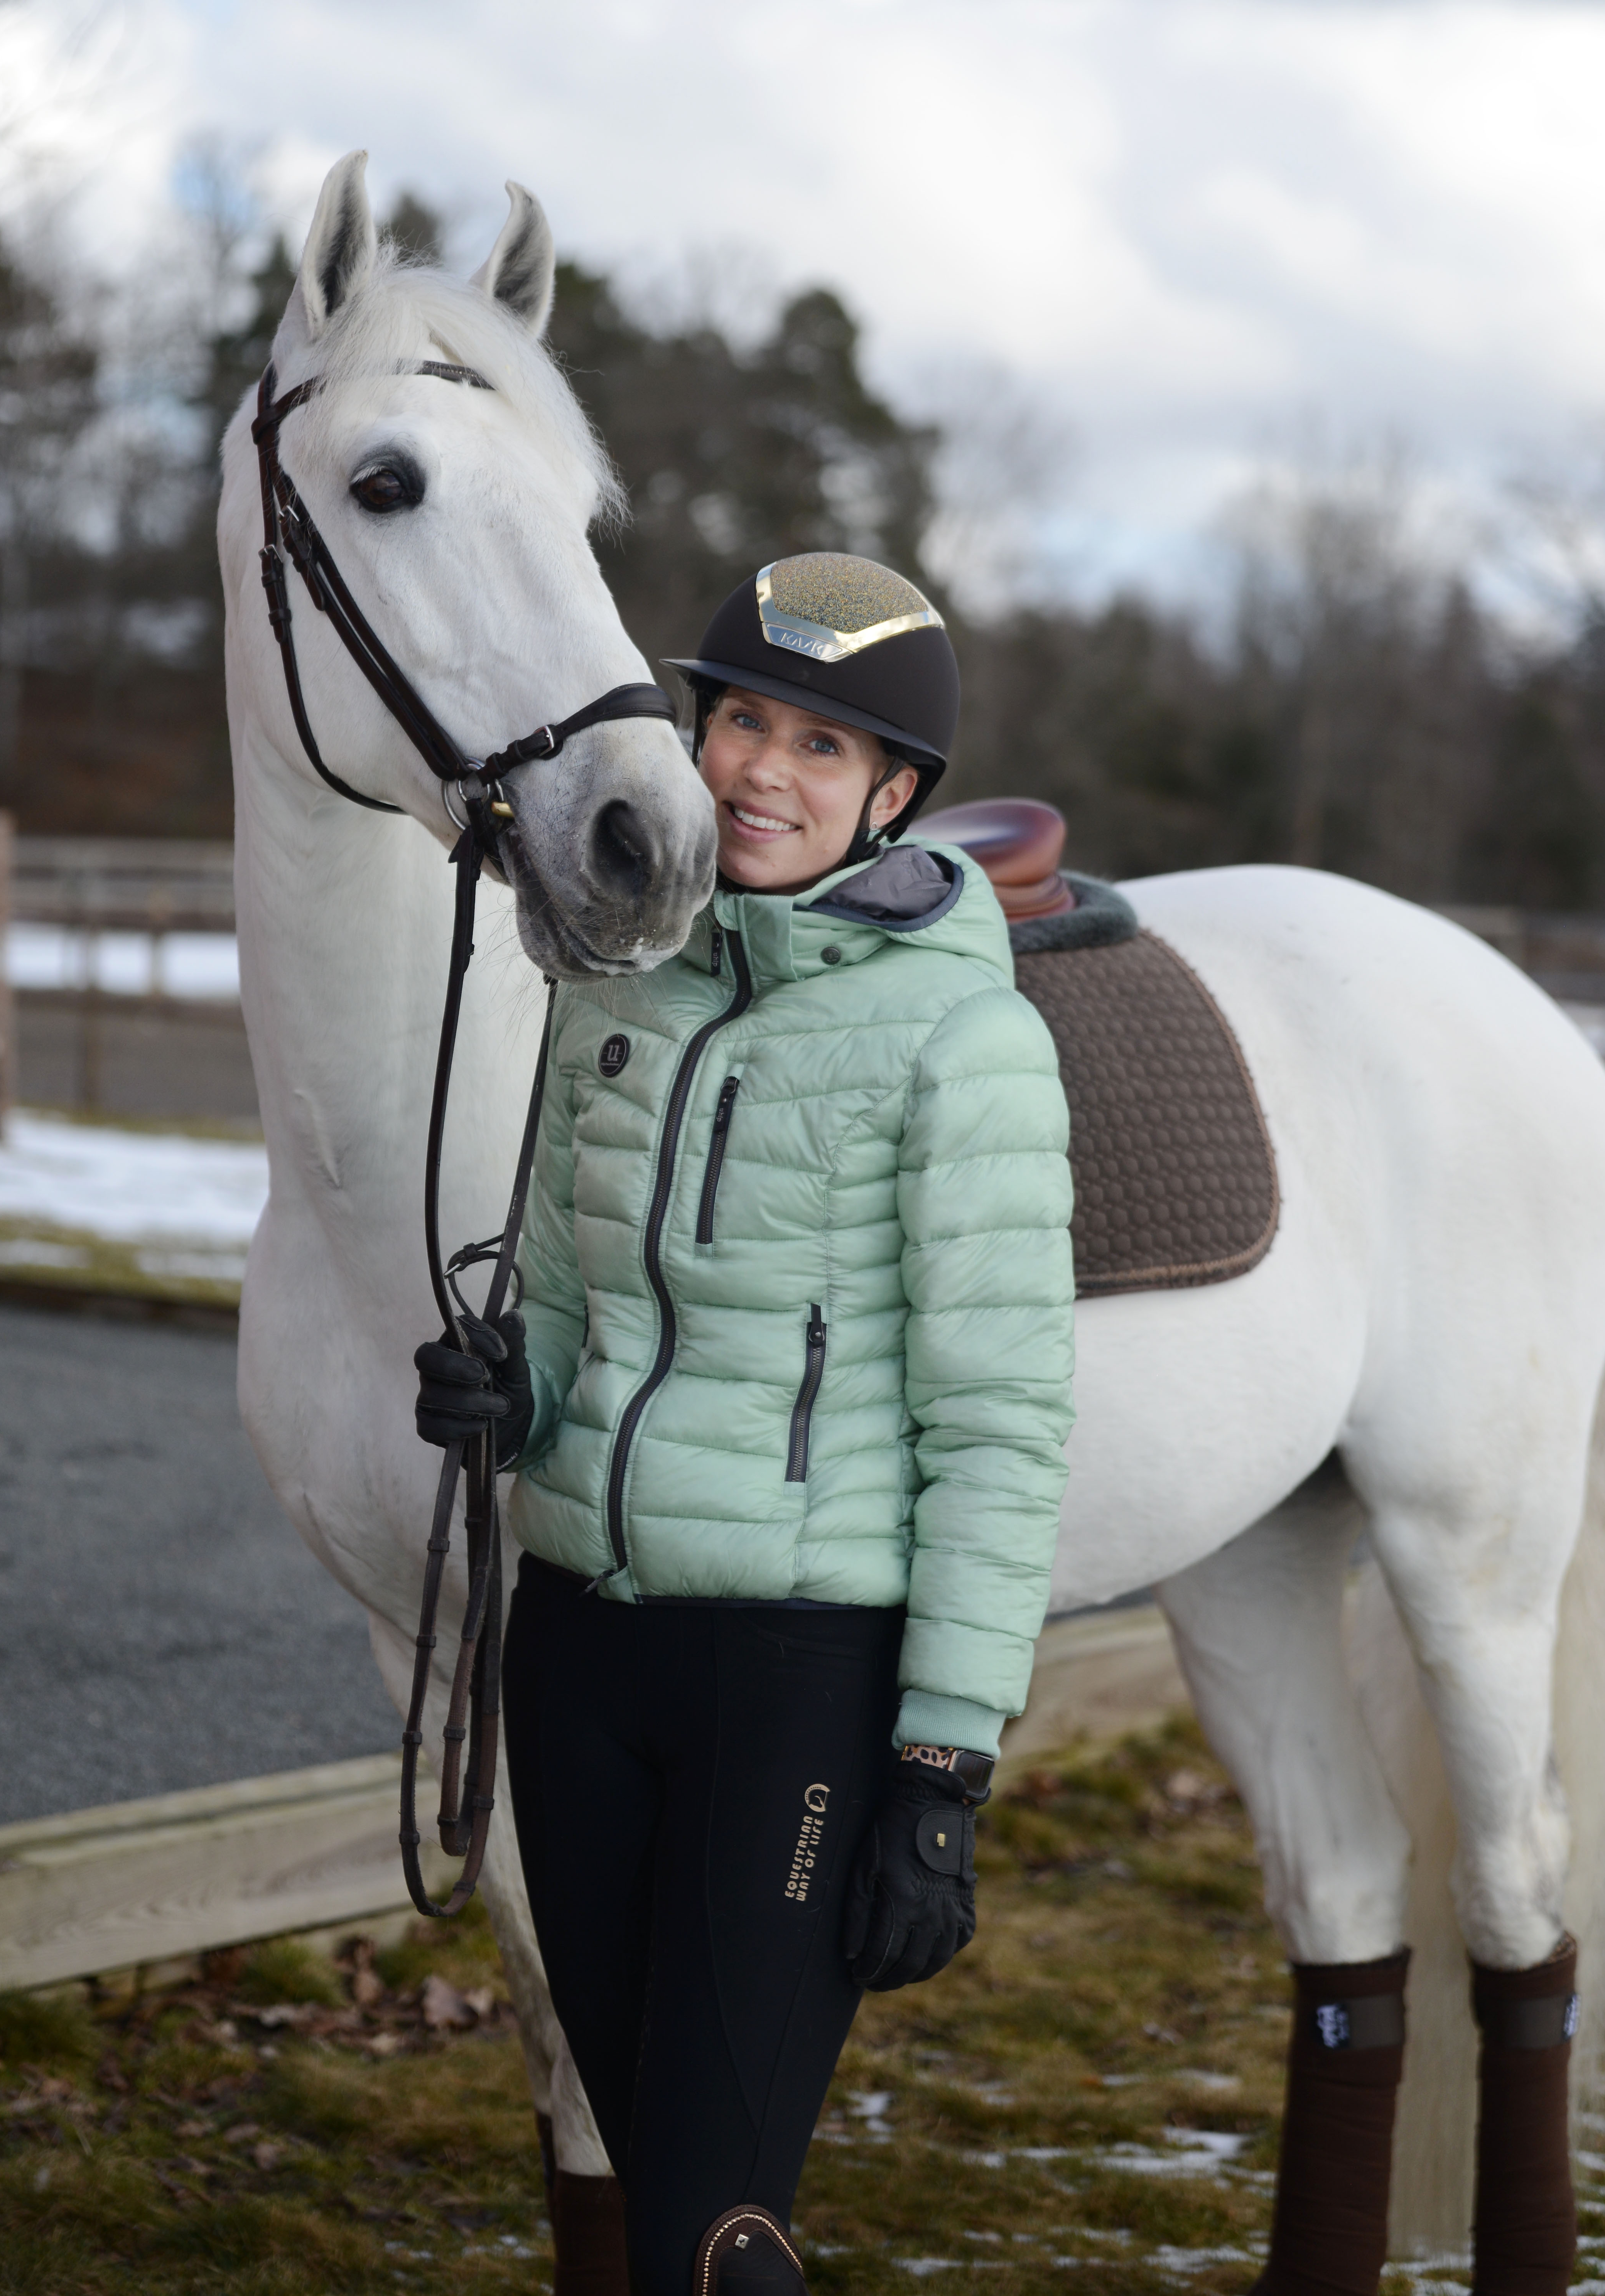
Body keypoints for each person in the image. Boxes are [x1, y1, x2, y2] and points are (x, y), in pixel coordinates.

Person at [415, 553, 1075, 2296]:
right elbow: (564, 1298)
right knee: (643, 2157)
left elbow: (1000, 1421)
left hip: (796, 1675)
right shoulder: (615, 985)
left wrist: (942, 1764)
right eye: (742, 720)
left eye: (824, 746)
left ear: (893, 794)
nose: (763, 772)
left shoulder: (965, 1038)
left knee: (715, 2219)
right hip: (574, 1648)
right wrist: (514, 1391)